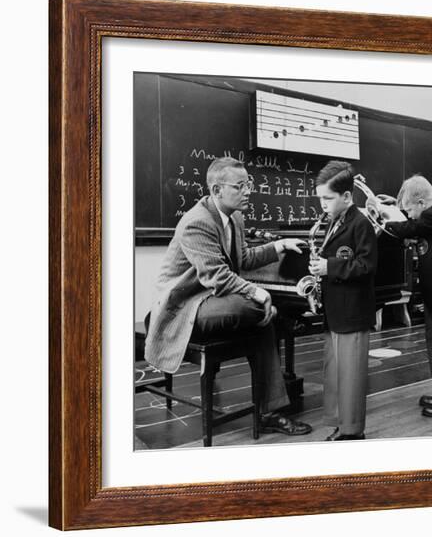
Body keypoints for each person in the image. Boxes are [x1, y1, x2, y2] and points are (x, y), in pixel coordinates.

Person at [145, 157, 312, 436]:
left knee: (262, 316)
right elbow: (218, 276)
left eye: (248, 184)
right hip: (184, 306)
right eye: (240, 186)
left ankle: (268, 412)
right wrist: (258, 292)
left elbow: (244, 259)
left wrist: (280, 245)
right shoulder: (195, 222)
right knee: (257, 307)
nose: (248, 191)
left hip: (211, 298)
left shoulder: (235, 216)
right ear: (216, 190)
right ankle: (268, 409)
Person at [309, 161, 378, 441]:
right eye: (320, 199)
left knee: (350, 374)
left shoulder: (361, 224)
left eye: (328, 198)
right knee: (336, 371)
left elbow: (366, 266)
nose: (323, 204)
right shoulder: (333, 221)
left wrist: (329, 268)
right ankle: (340, 423)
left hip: (353, 311)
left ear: (347, 197)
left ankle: (352, 431)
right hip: (336, 309)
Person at [384, 175, 432, 417]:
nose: (409, 215)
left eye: (409, 210)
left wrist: (383, 221)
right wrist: (390, 207)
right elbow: (412, 222)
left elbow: (411, 228)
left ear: (421, 202)